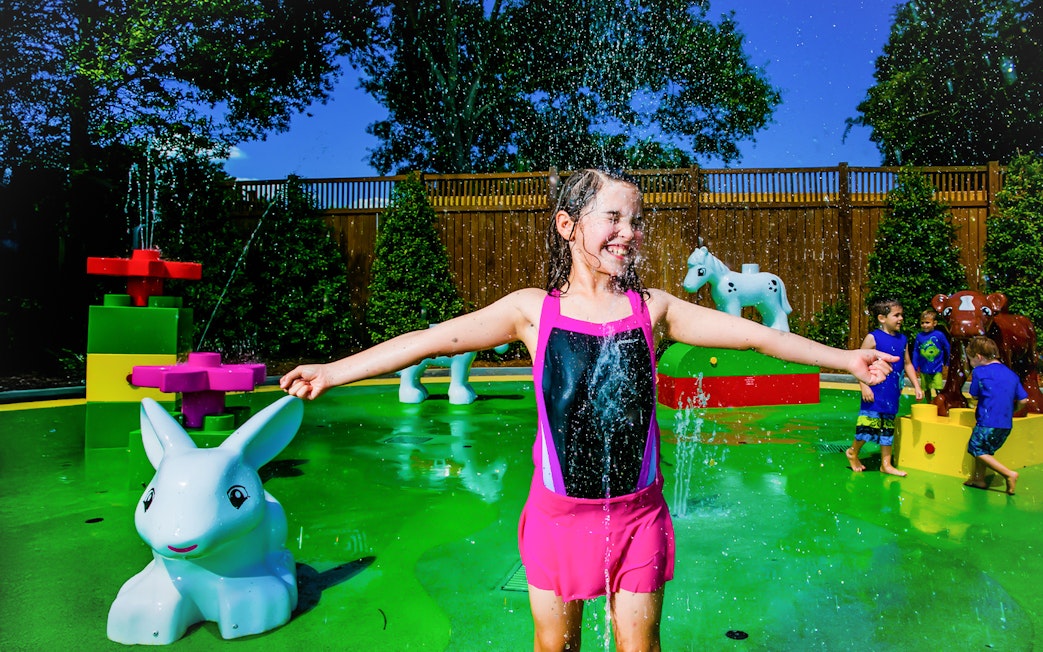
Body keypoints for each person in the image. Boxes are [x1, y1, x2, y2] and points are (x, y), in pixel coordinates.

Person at [280, 169, 896, 652]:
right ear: (568, 226)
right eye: (614, 218)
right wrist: (334, 371)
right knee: (555, 644)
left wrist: (843, 358)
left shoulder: (653, 309)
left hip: (638, 516)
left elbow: (760, 338)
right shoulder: (530, 310)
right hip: (557, 518)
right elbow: (432, 339)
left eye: (637, 220)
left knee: (640, 644)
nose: (630, 232)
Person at [846, 298, 923, 476]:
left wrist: (917, 385)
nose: (901, 318)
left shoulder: (902, 339)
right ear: (882, 318)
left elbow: (908, 364)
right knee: (868, 424)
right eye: (896, 315)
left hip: (892, 391)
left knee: (887, 427)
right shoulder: (874, 338)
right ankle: (853, 452)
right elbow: (859, 364)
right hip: (874, 390)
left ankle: (885, 464)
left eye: (901, 315)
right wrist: (864, 386)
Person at [962, 336, 1029, 495]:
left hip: (987, 421)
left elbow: (975, 395)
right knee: (985, 450)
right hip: (1005, 424)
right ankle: (979, 479)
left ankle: (1008, 474)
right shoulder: (1011, 374)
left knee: (975, 448)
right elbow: (1024, 400)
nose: (970, 363)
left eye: (970, 360)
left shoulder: (979, 371)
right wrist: (1012, 411)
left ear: (978, 357)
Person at [912, 308, 950, 402]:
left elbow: (947, 347)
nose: (924, 325)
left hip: (937, 367)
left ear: (934, 323)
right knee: (926, 388)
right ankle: (929, 403)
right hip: (924, 368)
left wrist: (947, 361)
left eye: (927, 322)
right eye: (922, 323)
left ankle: (940, 402)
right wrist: (915, 365)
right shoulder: (919, 336)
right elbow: (916, 351)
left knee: (938, 387)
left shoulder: (939, 335)